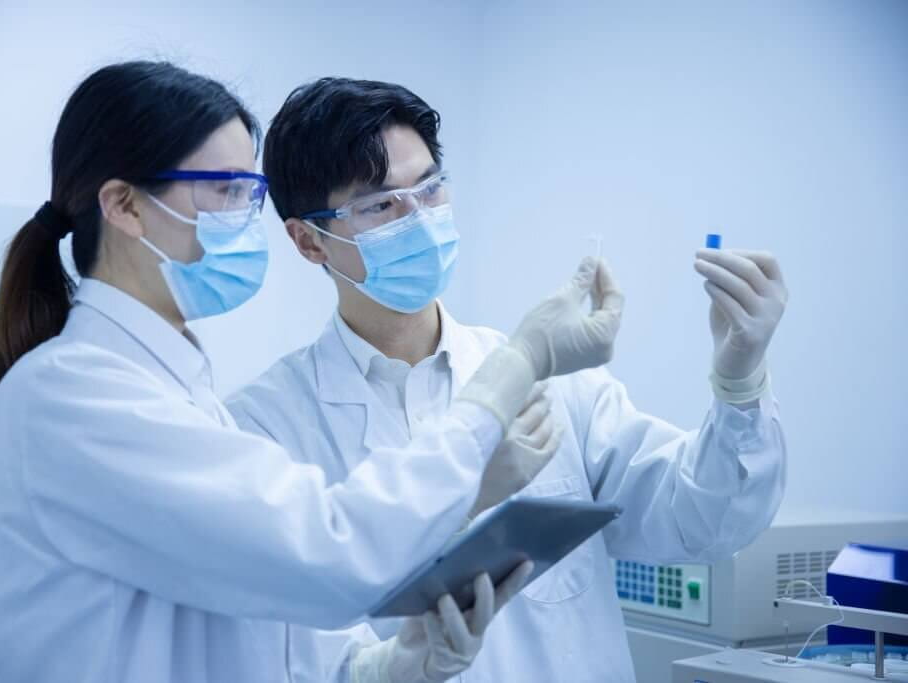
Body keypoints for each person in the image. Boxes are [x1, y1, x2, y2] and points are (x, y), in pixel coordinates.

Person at [0, 62, 624, 683]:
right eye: (226, 191)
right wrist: (519, 363)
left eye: (253, 192)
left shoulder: (181, 399)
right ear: (122, 205)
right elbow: (331, 547)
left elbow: (277, 637)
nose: (249, 220)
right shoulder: (73, 396)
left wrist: (391, 666)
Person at [225, 77, 789, 682]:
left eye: (430, 189)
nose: (420, 219)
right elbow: (319, 665)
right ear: (309, 241)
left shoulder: (553, 384)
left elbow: (702, 523)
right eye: (382, 205)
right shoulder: (264, 429)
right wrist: (461, 511)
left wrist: (739, 381)